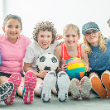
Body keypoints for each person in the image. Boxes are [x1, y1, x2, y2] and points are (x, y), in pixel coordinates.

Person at [23, 21, 70, 102]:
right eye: (42, 36)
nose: (45, 39)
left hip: (53, 74)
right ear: (36, 36)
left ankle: (60, 92)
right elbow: (26, 67)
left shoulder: (56, 44)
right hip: (37, 74)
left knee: (54, 81)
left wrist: (63, 38)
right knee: (38, 81)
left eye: (48, 36)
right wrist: (39, 74)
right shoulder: (32, 47)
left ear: (52, 38)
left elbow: (69, 45)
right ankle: (42, 90)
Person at [0, 14, 35, 105]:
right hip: (3, 72)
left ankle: (24, 93)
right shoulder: (0, 39)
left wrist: (57, 40)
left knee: (22, 83)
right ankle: (10, 91)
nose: (13, 30)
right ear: (3, 28)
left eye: (17, 27)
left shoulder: (25, 40)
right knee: (3, 80)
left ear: (21, 29)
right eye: (10, 26)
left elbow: (38, 44)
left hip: (18, 74)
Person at [55, 24, 92, 100]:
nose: (70, 39)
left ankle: (82, 90)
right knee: (62, 81)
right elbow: (56, 68)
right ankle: (73, 90)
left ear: (78, 37)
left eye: (73, 36)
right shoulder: (59, 50)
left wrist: (86, 67)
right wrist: (61, 69)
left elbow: (87, 67)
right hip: (65, 77)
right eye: (67, 36)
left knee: (84, 79)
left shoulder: (82, 50)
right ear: (64, 37)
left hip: (79, 77)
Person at [82, 21, 110, 99]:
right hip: (94, 71)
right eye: (88, 33)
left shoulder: (108, 43)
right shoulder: (83, 48)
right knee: (92, 75)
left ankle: (108, 84)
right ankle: (98, 88)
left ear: (99, 33)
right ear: (85, 37)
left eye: (93, 31)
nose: (91, 34)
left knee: (107, 73)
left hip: (108, 69)